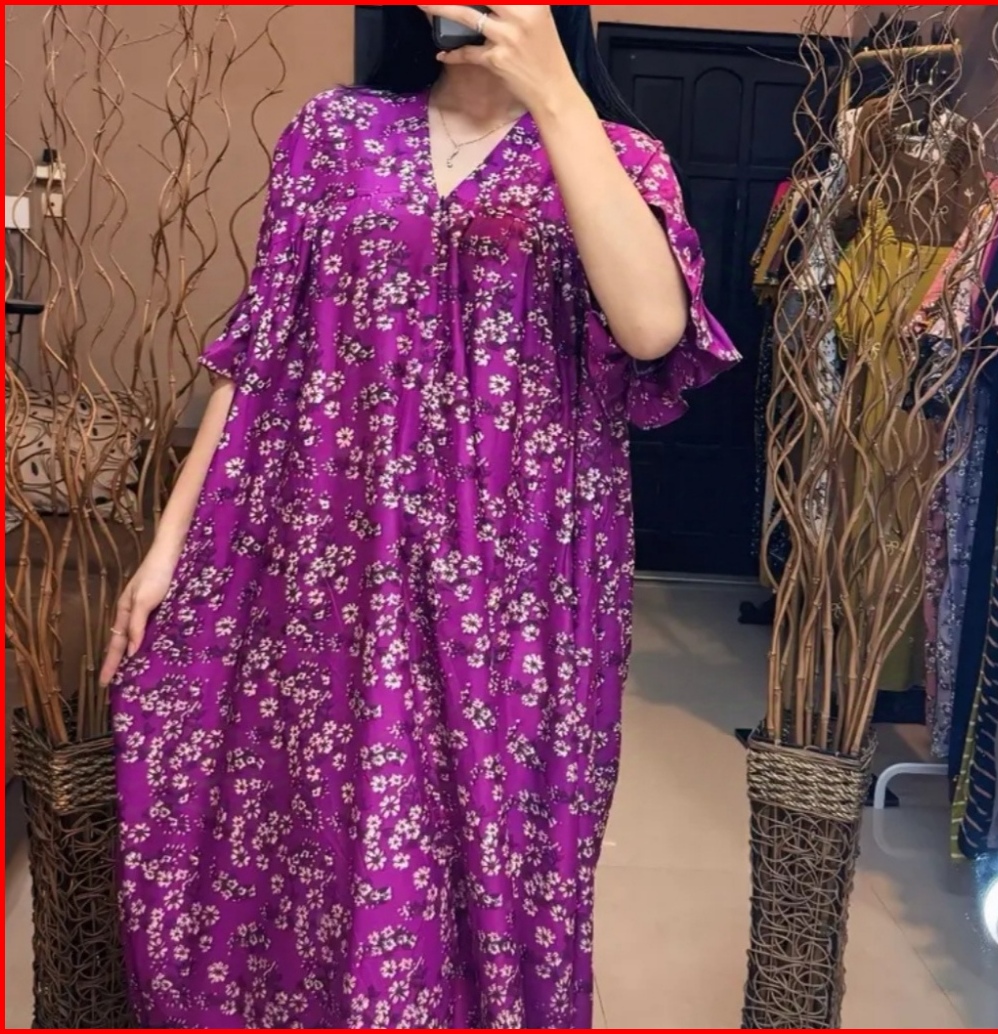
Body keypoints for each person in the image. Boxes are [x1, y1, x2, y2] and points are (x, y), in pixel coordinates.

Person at [104, 5, 738, 1028]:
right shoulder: (335, 133)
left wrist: (553, 91)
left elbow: (652, 325)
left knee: (494, 847)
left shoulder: (618, 154)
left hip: (520, 582)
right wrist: (169, 543)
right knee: (313, 828)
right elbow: (258, 350)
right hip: (327, 556)